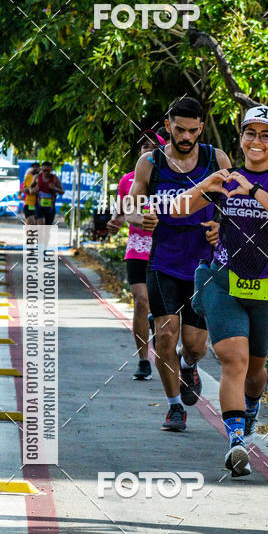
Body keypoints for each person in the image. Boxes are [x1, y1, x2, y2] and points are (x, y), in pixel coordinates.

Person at [170, 105, 268, 476]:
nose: (256, 141)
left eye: (265, 135)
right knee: (234, 360)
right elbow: (177, 209)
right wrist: (204, 186)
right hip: (223, 281)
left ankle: (252, 406)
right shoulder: (224, 179)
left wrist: (254, 189)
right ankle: (235, 440)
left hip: (266, 285)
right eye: (250, 133)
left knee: (256, 370)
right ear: (241, 138)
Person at [126, 97, 229, 432]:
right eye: (179, 129)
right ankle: (174, 408)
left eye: (193, 130)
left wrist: (220, 228)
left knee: (196, 345)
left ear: (201, 127)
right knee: (166, 337)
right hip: (163, 262)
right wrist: (141, 217)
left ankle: (189, 366)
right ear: (168, 125)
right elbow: (127, 209)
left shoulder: (217, 160)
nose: (186, 136)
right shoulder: (150, 162)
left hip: (203, 265)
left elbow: (235, 209)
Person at [107, 130, 164, 381]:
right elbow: (122, 212)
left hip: (166, 251)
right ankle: (143, 359)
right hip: (137, 249)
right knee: (141, 301)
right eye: (144, 147)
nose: (148, 151)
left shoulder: (172, 180)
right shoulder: (128, 180)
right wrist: (115, 221)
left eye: (154, 147)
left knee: (164, 310)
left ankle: (175, 358)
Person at [31, 161, 64, 225]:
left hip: (50, 207)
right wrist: (33, 190)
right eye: (44, 170)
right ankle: (40, 234)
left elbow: (62, 191)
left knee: (47, 228)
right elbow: (31, 187)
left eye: (48, 170)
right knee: (40, 224)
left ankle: (45, 235)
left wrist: (55, 188)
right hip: (39, 206)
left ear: (51, 170)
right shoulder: (37, 177)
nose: (46, 172)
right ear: (41, 169)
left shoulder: (55, 178)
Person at [21, 160, 40, 225]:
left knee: (36, 222)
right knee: (29, 222)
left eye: (37, 167)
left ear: (39, 168)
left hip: (38, 204)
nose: (35, 168)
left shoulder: (41, 178)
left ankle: (36, 234)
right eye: (33, 167)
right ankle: (29, 234)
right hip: (28, 203)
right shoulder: (28, 177)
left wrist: (35, 191)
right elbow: (23, 188)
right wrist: (26, 190)